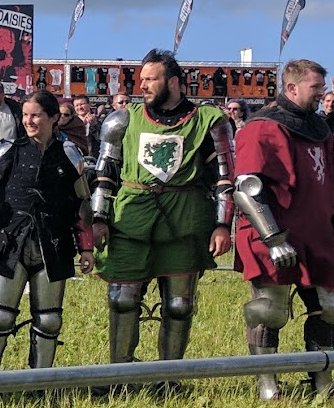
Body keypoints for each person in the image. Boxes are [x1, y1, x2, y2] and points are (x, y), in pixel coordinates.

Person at [233, 58, 334, 400]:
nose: (322, 94)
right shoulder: (262, 127)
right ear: (292, 87)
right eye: (315, 88)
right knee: (269, 310)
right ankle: (268, 388)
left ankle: (322, 386)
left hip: (318, 234)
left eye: (322, 88)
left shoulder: (320, 130)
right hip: (275, 233)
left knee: (332, 308)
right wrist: (273, 240)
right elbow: (248, 187)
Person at [90, 50, 235, 366]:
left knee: (179, 305)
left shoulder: (208, 121)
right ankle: (120, 372)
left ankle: (169, 375)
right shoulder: (123, 119)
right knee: (122, 299)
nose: (142, 85)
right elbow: (104, 173)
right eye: (141, 79)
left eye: (150, 79)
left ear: (173, 81)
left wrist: (223, 225)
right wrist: (98, 217)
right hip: (131, 219)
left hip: (184, 219)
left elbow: (224, 177)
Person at [0, 88, 94, 371]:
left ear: (53, 118)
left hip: (53, 242)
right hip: (9, 241)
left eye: (35, 115)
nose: (28, 121)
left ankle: (41, 380)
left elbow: (80, 205)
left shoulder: (69, 155)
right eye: (25, 115)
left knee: (49, 320)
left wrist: (86, 247)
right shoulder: (6, 151)